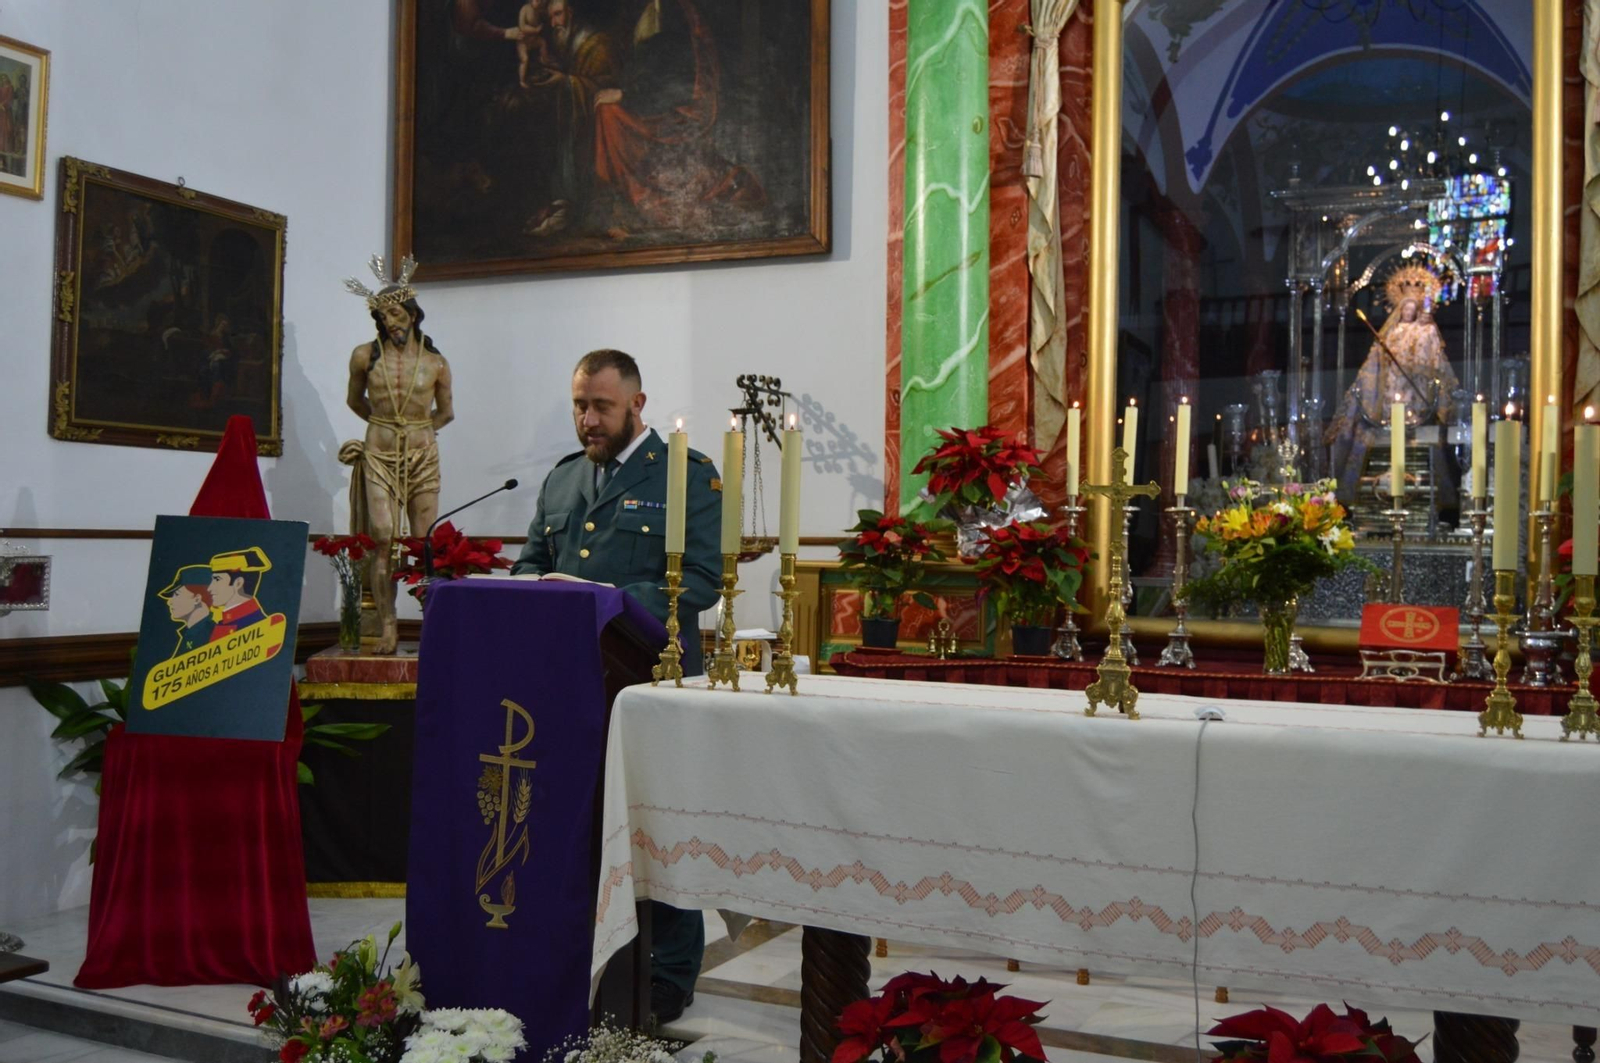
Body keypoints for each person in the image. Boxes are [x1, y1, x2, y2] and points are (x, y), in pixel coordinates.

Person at [512, 348, 719, 1024]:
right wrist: (528, 586)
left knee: (660, 827)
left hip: (654, 678)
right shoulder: (564, 478)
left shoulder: (686, 474)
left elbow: (700, 581)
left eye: (601, 405)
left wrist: (605, 598)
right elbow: (532, 562)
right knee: (577, 822)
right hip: (569, 681)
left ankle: (669, 971)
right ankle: (583, 948)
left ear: (637, 403)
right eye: (580, 405)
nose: (588, 419)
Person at [344, 265, 455, 654]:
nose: (390, 321)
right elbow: (355, 400)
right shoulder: (363, 356)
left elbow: (446, 412)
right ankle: (388, 626)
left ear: (412, 313)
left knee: (424, 542)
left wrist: (420, 432)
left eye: (395, 313)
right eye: (383, 316)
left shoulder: (436, 363)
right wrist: (384, 427)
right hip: (379, 453)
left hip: (422, 455)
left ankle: (431, 625)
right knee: (383, 535)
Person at [1324, 264, 1460, 501]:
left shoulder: (1425, 331)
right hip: (1392, 388)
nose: (1408, 311)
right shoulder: (1392, 331)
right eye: (1404, 307)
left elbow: (1431, 361)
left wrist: (1414, 364)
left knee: (1418, 430)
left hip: (1415, 391)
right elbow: (1377, 361)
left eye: (1412, 308)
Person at [207, 547, 271, 641]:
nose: (209, 588)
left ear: (238, 583)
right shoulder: (223, 623)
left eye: (217, 580)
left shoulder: (258, 625)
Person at [159, 564, 215, 655]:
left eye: (177, 594)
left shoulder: (210, 634)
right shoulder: (191, 633)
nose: (169, 602)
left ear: (197, 599)